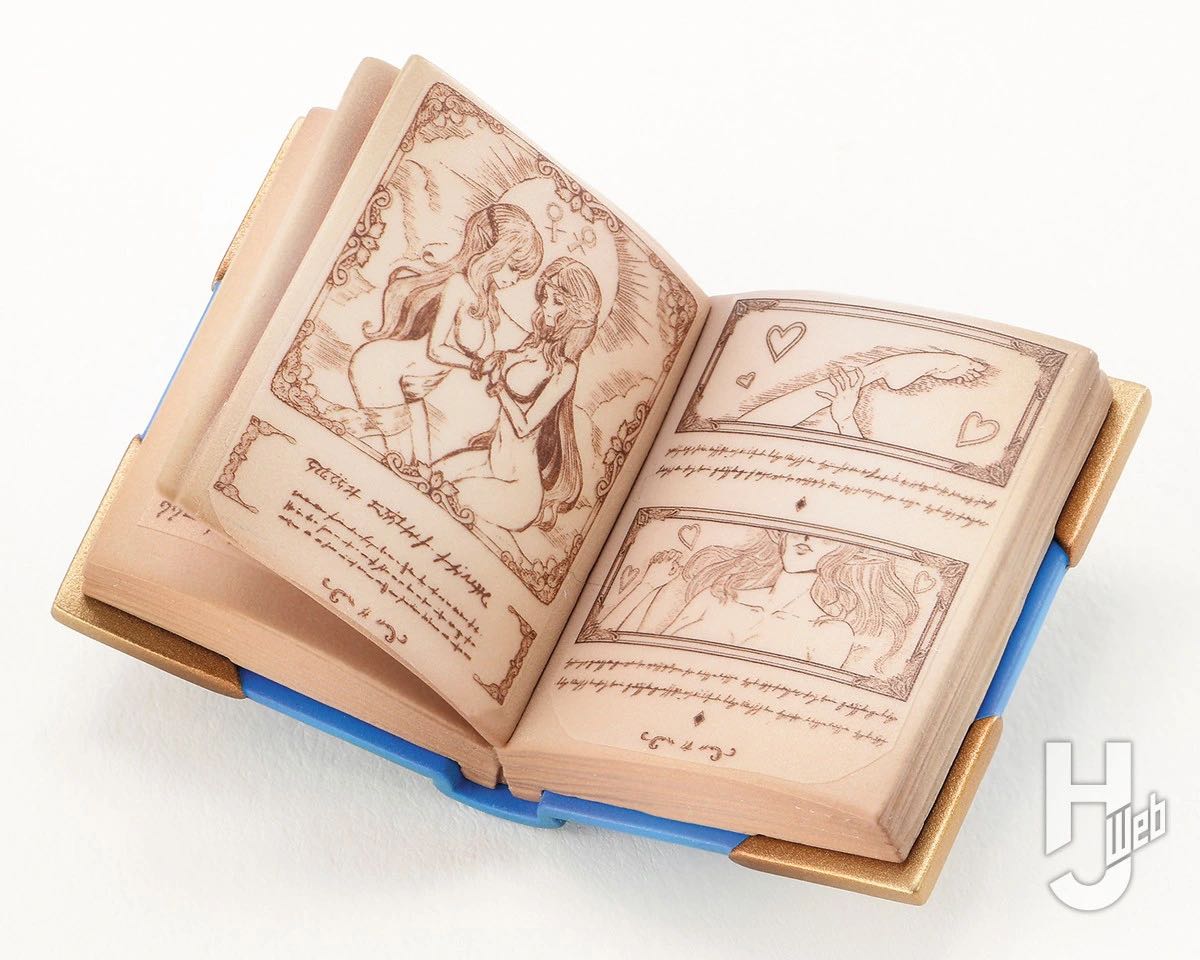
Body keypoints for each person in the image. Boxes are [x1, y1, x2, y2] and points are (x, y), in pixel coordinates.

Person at [344, 203, 543, 464]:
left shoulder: (488, 301)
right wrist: (476, 365)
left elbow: (502, 347)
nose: (517, 278)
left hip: (412, 388)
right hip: (380, 369)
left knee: (421, 469)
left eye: (522, 273)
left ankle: (344, 421)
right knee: (399, 464)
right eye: (514, 268)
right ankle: (340, 422)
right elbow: (435, 350)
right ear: (494, 253)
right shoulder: (458, 285)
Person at [435, 257, 601, 562]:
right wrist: (494, 360)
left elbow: (525, 427)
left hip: (517, 491)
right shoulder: (531, 344)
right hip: (489, 461)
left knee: (445, 495)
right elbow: (503, 362)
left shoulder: (565, 370)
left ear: (576, 312)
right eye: (545, 297)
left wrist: (499, 389)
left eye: (557, 302)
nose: (546, 307)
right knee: (431, 476)